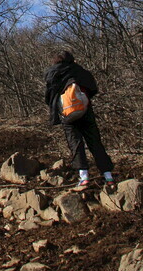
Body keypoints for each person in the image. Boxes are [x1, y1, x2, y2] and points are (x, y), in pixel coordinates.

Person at [44, 51, 115, 192]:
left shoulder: (52, 73)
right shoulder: (79, 71)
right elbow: (93, 88)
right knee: (95, 142)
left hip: (67, 114)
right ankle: (108, 176)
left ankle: (84, 177)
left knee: (75, 144)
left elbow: (49, 97)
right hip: (85, 110)